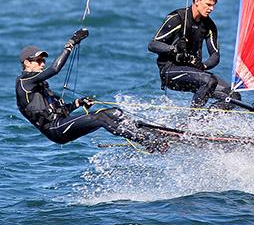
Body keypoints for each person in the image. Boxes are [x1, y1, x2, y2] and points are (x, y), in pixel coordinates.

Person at [15, 28, 169, 152]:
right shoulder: (25, 82)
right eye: (39, 61)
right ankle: (149, 142)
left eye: (43, 60)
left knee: (113, 112)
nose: (42, 64)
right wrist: (70, 44)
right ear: (27, 63)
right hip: (55, 130)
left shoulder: (39, 86)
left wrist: (78, 103)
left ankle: (154, 133)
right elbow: (55, 69)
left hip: (61, 122)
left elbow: (60, 111)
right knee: (100, 118)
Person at [148, 0, 240, 110]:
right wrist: (173, 50)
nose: (211, 8)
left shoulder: (209, 26)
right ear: (197, 1)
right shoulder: (177, 18)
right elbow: (153, 44)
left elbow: (215, 55)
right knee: (209, 81)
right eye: (208, 4)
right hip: (171, 71)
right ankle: (193, 121)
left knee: (233, 96)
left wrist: (203, 66)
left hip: (196, 73)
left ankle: (207, 121)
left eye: (213, 5)